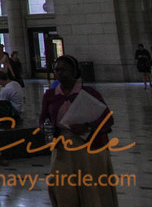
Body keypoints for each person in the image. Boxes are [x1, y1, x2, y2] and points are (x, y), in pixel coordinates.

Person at [39, 54, 118, 206]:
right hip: (63, 147)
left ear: (75, 72)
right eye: (57, 70)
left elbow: (108, 119)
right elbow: (43, 118)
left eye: (63, 70)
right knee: (63, 187)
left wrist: (87, 126)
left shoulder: (89, 93)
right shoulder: (50, 95)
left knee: (91, 190)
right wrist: (45, 127)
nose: (59, 73)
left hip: (89, 146)